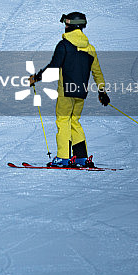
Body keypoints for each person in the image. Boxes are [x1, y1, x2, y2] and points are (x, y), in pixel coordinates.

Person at [30, 11, 110, 167]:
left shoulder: (64, 45)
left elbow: (53, 66)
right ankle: (81, 158)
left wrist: (37, 77)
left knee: (63, 120)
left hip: (66, 92)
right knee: (75, 121)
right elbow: (97, 72)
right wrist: (102, 92)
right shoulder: (90, 48)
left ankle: (63, 158)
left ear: (71, 25)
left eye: (66, 23)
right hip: (81, 93)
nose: (65, 26)